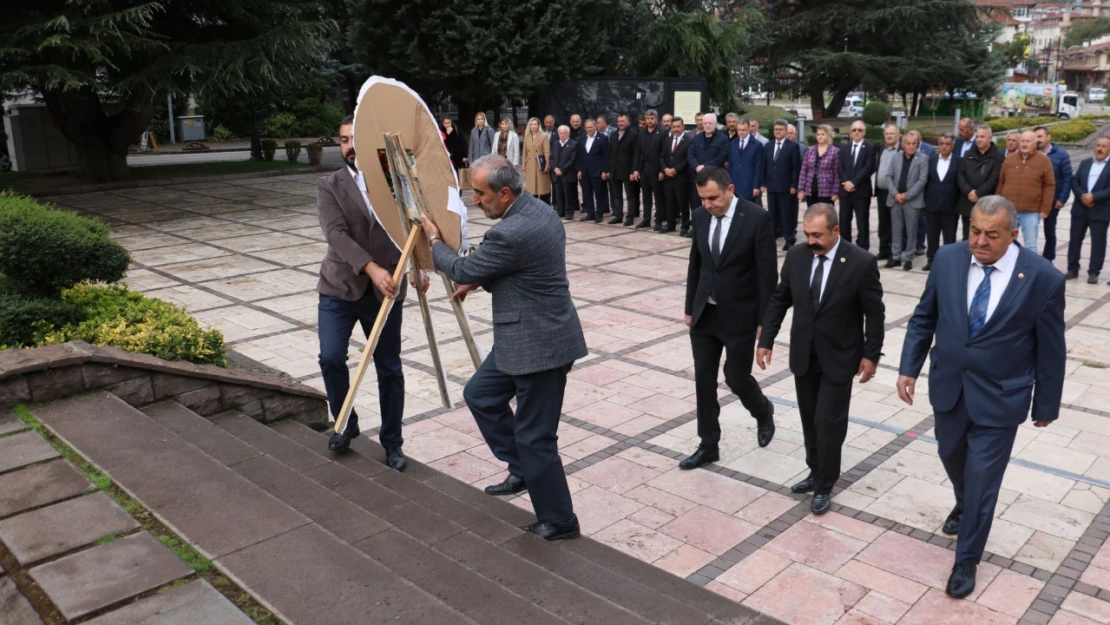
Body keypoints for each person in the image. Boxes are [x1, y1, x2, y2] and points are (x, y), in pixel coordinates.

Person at [896, 195, 1066, 599]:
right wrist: (908, 367)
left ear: (1014, 234)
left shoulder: (1043, 277)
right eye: (974, 231)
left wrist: (1046, 405)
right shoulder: (948, 259)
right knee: (951, 456)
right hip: (950, 387)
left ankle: (966, 559)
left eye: (992, 235)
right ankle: (963, 502)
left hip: (1001, 398)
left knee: (983, 480)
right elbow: (925, 317)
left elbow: (1051, 348)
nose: (980, 241)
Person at [420, 155, 588, 541]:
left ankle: (560, 519)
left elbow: (462, 268)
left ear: (505, 192)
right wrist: (481, 279)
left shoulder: (510, 233)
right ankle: (523, 468)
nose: (476, 201)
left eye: (480, 194)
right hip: (527, 335)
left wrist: (433, 239)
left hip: (540, 347)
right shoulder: (540, 211)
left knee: (536, 437)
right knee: (480, 394)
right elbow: (518, 268)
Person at [315, 115, 431, 470]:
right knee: (331, 358)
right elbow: (336, 235)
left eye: (354, 139)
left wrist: (419, 265)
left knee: (389, 368)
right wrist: (372, 268)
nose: (349, 146)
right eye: (343, 140)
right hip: (339, 287)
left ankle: (393, 442)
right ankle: (346, 423)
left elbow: (415, 222)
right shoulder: (329, 185)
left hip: (386, 291)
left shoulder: (394, 182)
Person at [758, 204, 884, 514]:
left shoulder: (860, 262)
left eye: (818, 235)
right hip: (805, 354)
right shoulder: (798, 256)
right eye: (807, 234)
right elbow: (780, 299)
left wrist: (871, 356)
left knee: (829, 421)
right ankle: (814, 470)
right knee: (809, 418)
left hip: (840, 356)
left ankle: (825, 484)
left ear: (836, 231)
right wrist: (766, 340)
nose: (811, 240)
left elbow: (874, 312)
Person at [681, 167, 778, 470]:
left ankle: (762, 410)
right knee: (704, 382)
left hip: (739, 315)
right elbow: (695, 265)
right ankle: (708, 444)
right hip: (705, 315)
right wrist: (689, 307)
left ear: (730, 189)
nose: (708, 205)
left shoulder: (756, 218)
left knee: (736, 377)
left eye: (713, 198)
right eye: (703, 199)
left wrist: (766, 323)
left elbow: (767, 274)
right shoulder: (699, 217)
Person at [996, 130, 1055, 251]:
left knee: (1030, 246)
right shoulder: (1009, 159)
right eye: (1022, 141)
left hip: (1031, 211)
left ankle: (1030, 270)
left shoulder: (1044, 161)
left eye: (1028, 141)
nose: (1024, 144)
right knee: (1008, 243)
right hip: (1009, 210)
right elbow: (1001, 182)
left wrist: (1045, 209)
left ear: (1034, 143)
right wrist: (998, 204)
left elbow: (1049, 185)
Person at [1068, 136, 1110, 284]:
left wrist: (1094, 197)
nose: (1100, 148)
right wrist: (1083, 196)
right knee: (1074, 240)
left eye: (1104, 146)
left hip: (1100, 211)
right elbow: (1074, 180)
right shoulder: (1085, 163)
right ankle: (1072, 269)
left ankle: (1094, 272)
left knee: (1098, 243)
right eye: (1098, 145)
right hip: (1080, 209)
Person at [885, 131, 929, 271]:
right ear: (903, 144)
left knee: (911, 231)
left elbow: (922, 180)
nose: (911, 146)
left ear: (917, 144)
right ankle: (896, 257)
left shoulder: (923, 159)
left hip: (912, 201)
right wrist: (895, 194)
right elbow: (888, 176)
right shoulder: (896, 157)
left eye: (914, 144)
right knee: (896, 230)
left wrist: (907, 195)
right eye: (908, 143)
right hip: (895, 200)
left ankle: (909, 258)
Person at [956, 125, 1004, 241]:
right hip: (968, 201)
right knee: (967, 236)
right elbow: (960, 175)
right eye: (977, 136)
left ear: (990, 138)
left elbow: (994, 178)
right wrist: (969, 192)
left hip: (986, 203)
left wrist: (978, 193)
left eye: (982, 136)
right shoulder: (968, 153)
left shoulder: (998, 156)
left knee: (984, 236)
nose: (979, 139)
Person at [686, 113, 729, 237]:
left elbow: (721, 157)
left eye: (710, 123)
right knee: (696, 204)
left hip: (713, 178)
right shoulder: (697, 138)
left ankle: (711, 229)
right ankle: (696, 229)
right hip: (697, 176)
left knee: (712, 203)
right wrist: (696, 166)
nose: (707, 125)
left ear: (715, 124)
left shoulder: (722, 139)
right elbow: (690, 154)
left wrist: (704, 167)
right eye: (705, 123)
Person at [923, 134, 961, 271]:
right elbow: (926, 182)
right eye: (942, 143)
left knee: (949, 237)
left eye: (947, 144)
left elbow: (959, 184)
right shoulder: (931, 160)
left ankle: (948, 262)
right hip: (932, 206)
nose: (944, 146)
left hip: (950, 207)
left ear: (952, 146)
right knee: (932, 236)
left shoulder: (958, 161)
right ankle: (931, 261)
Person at [1035, 125, 1073, 262]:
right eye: (1035, 137)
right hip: (1033, 201)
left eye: (1040, 136)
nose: (1037, 140)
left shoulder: (1061, 155)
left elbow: (1067, 178)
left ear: (1048, 137)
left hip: (1052, 200)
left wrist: (1062, 199)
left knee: (1049, 232)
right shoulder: (1032, 153)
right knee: (1030, 232)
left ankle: (1048, 260)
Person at [763, 119, 802, 250]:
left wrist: (793, 185)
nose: (778, 132)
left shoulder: (792, 146)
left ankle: (789, 238)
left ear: (786, 131)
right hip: (772, 186)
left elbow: (796, 168)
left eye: (780, 130)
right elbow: (765, 165)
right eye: (776, 130)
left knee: (787, 214)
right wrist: (763, 183)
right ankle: (772, 236)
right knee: (772, 213)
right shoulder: (768, 146)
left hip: (786, 187)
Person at [838, 120, 877, 250]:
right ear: (850, 132)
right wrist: (846, 183)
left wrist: (854, 183)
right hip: (845, 191)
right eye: (854, 130)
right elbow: (840, 167)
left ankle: (862, 247)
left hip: (861, 191)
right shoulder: (844, 148)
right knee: (844, 220)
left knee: (862, 221)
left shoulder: (870, 147)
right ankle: (844, 246)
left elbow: (868, 168)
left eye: (860, 130)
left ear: (864, 132)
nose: (856, 132)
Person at [633, 109, 666, 229]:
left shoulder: (662, 132)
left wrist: (662, 170)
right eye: (647, 118)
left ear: (656, 119)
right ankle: (646, 219)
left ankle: (658, 221)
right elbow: (638, 152)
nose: (649, 121)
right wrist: (636, 169)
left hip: (656, 170)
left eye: (652, 118)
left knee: (658, 196)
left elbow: (664, 152)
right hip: (644, 169)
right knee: (646, 196)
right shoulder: (641, 133)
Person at [874, 124, 902, 260]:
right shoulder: (881, 149)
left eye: (892, 133)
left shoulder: (902, 150)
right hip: (881, 192)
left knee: (895, 223)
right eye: (887, 134)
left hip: (896, 193)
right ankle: (883, 250)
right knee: (883, 223)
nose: (889, 136)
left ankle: (894, 252)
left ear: (898, 135)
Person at [608, 113, 641, 226]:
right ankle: (618, 215)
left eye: (623, 121)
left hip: (627, 171)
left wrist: (633, 171)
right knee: (616, 195)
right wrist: (609, 169)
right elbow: (611, 153)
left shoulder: (634, 135)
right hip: (614, 170)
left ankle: (630, 217)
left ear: (628, 122)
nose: (620, 123)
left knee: (630, 195)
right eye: (619, 121)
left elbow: (635, 154)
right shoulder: (613, 135)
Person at [661, 116, 691, 234]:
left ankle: (684, 226)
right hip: (668, 177)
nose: (676, 129)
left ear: (683, 127)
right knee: (669, 202)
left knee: (682, 203)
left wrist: (676, 170)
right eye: (674, 127)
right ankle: (670, 224)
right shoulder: (667, 140)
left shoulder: (689, 140)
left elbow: (687, 159)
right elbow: (662, 157)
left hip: (681, 177)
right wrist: (665, 169)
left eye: (678, 126)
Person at [577, 118, 610, 223]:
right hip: (585, 171)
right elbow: (580, 156)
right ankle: (590, 213)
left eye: (591, 127)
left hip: (597, 171)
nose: (589, 129)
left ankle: (599, 214)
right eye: (587, 127)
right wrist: (579, 170)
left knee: (599, 194)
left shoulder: (603, 138)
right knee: (586, 194)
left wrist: (605, 171)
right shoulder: (582, 139)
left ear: (595, 126)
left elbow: (606, 156)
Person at [797, 125, 840, 206]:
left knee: (825, 215)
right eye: (818, 134)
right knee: (812, 214)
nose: (820, 136)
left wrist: (836, 192)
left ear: (828, 135)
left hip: (826, 190)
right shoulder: (810, 150)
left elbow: (837, 173)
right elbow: (804, 170)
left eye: (822, 134)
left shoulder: (835, 151)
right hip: (810, 189)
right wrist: (801, 189)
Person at [726, 118, 764, 203]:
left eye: (744, 130)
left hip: (749, 184)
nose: (741, 132)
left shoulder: (757, 145)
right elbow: (731, 164)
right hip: (735, 184)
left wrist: (756, 186)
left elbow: (758, 167)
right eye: (739, 130)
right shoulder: (734, 143)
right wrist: (729, 183)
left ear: (748, 129)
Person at [521, 117, 552, 205]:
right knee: (532, 190)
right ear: (529, 126)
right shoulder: (527, 137)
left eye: (535, 124)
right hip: (530, 165)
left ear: (538, 125)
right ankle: (533, 209)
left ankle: (545, 207)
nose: (533, 126)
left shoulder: (543, 136)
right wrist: (523, 166)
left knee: (543, 188)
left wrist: (547, 164)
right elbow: (525, 152)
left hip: (540, 165)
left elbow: (547, 150)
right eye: (532, 124)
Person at [551, 125, 579, 220]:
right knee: (558, 193)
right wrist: (555, 168)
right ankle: (561, 211)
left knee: (568, 194)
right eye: (560, 133)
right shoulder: (555, 143)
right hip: (556, 174)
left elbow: (572, 160)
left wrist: (562, 170)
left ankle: (569, 212)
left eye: (564, 133)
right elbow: (552, 158)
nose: (562, 135)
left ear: (568, 134)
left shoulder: (573, 144)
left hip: (567, 174)